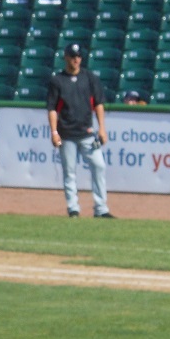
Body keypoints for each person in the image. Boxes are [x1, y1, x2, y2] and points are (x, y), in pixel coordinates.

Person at [47, 43, 112, 218]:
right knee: (69, 172)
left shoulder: (90, 78)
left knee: (99, 166)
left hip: (87, 133)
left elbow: (98, 104)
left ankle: (101, 208)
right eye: (73, 56)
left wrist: (102, 128)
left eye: (78, 56)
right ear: (66, 57)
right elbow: (52, 108)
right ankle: (73, 208)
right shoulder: (57, 80)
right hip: (66, 133)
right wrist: (54, 132)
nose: (76, 59)